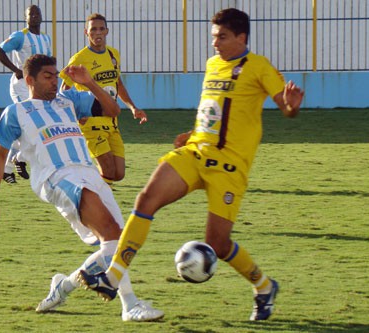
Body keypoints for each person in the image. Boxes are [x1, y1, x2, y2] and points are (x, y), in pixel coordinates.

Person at [78, 8, 305, 321]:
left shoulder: (259, 66)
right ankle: (114, 276)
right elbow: (212, 109)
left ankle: (264, 286)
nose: (215, 43)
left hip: (229, 167)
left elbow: (285, 105)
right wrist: (194, 132)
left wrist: (291, 107)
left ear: (242, 37)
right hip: (197, 153)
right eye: (213, 37)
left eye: (222, 37)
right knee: (146, 200)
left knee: (218, 243)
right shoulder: (213, 64)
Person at [0, 54, 163, 322]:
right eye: (47, 76)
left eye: (56, 75)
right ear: (30, 80)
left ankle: (64, 286)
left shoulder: (68, 101)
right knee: (113, 237)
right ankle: (130, 305)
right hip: (56, 178)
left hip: (89, 173)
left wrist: (89, 82)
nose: (54, 81)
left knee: (120, 243)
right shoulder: (16, 113)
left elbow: (113, 111)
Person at [59, 13, 147, 188]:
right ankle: (100, 208)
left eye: (101, 29)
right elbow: (63, 92)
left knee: (118, 173)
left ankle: (84, 182)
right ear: (86, 32)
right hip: (91, 122)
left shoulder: (113, 54)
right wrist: (75, 116)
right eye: (93, 29)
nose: (97, 33)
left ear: (107, 31)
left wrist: (132, 107)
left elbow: (118, 83)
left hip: (112, 119)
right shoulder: (79, 59)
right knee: (108, 171)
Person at [0, 4, 52, 183]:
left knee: (38, 125)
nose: (34, 16)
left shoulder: (46, 38)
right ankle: (12, 164)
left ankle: (16, 161)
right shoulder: (21, 36)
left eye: (37, 13)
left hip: (38, 86)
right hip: (21, 85)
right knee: (29, 124)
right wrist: (16, 70)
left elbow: (47, 62)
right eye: (30, 14)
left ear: (42, 17)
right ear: (26, 18)